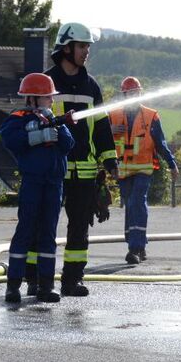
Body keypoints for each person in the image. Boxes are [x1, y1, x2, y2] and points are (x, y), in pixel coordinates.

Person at [27, 22, 119, 297]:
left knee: (79, 228)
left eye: (88, 46)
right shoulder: (46, 84)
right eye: (82, 46)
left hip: (85, 173)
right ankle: (36, 279)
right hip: (53, 171)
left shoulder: (92, 87)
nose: (87, 51)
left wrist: (110, 161)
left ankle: (72, 280)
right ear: (66, 48)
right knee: (43, 227)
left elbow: (101, 127)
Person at [0, 73, 74, 303]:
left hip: (54, 183)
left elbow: (69, 144)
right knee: (25, 231)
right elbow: (9, 139)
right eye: (47, 97)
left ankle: (46, 285)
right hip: (33, 181)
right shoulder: (18, 118)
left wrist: (57, 126)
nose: (52, 101)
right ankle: (13, 286)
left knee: (48, 234)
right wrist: (36, 136)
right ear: (32, 99)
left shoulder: (54, 119)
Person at [109, 76, 179, 264]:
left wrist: (172, 164)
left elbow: (161, 143)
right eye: (129, 93)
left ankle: (136, 248)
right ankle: (137, 243)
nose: (133, 95)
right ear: (124, 95)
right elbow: (102, 140)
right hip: (123, 170)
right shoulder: (113, 116)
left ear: (140, 94)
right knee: (130, 205)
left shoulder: (151, 116)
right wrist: (111, 130)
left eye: (136, 93)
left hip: (143, 169)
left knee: (137, 202)